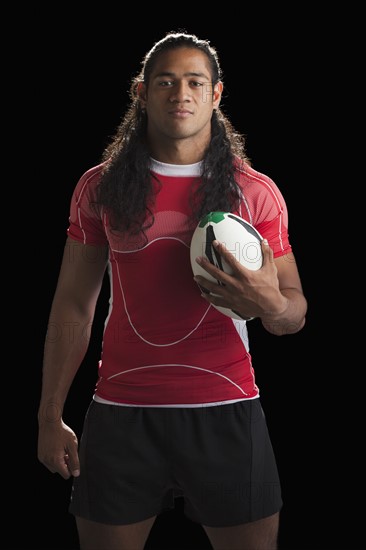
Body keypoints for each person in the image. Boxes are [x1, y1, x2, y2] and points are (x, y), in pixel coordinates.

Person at [37, 31, 307, 550]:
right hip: (121, 412)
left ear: (216, 94)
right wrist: (50, 415)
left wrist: (270, 303)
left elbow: (292, 312)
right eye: (165, 81)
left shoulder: (253, 191)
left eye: (193, 81)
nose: (180, 93)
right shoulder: (99, 188)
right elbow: (73, 304)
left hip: (227, 410)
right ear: (141, 92)